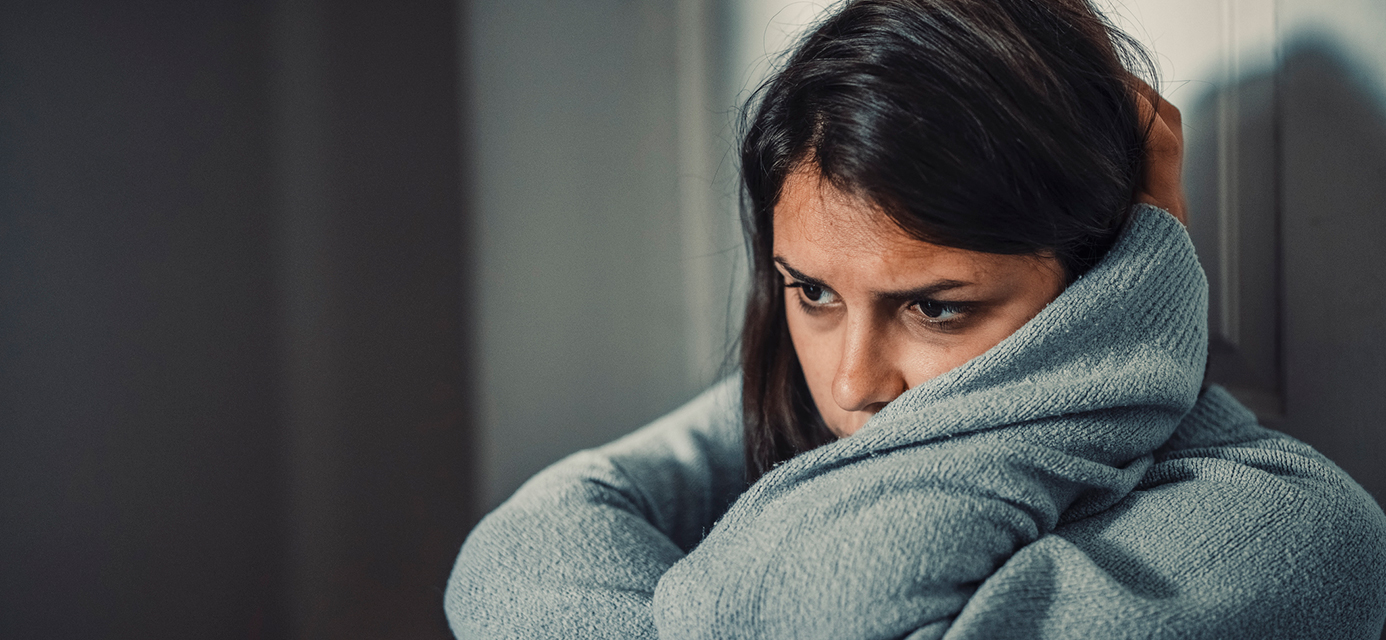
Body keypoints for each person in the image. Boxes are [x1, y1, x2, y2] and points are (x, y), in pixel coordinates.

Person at [445, 0, 1386, 638]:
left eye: (936, 308)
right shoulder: (801, 407)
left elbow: (809, 611)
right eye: (812, 292)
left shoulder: (1288, 530)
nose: (854, 384)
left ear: (1111, 283)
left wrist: (1145, 280)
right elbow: (522, 545)